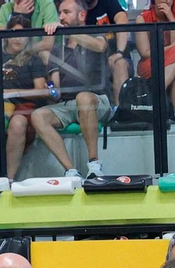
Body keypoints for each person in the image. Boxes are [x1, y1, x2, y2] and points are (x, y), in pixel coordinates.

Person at [32, 0, 112, 179]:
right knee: (38, 116)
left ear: (82, 15)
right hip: (67, 103)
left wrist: (69, 32)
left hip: (98, 100)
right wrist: (50, 90)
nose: (61, 17)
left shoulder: (96, 33)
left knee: (83, 98)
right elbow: (56, 89)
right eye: (60, 13)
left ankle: (94, 164)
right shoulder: (58, 49)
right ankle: (71, 170)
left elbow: (100, 46)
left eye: (66, 12)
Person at [0, 14, 51, 179]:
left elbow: (40, 89)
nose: (18, 39)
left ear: (29, 38)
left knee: (18, 123)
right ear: (6, 35)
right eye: (14, 33)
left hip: (22, 104)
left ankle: (9, 178)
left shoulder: (33, 59)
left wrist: (14, 93)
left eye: (23, 35)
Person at [135, 0, 175, 127]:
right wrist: (172, 48)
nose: (167, 1)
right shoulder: (142, 19)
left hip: (174, 63)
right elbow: (145, 52)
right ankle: (158, 93)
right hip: (150, 63)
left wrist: (170, 17)